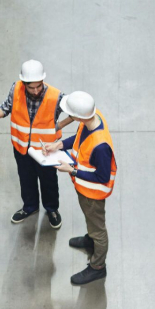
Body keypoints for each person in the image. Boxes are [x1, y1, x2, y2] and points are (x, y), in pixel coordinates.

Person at [0, 60, 72, 228]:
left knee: (48, 181)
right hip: (21, 147)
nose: (35, 91)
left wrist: (59, 125)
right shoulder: (16, 89)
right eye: (31, 87)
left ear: (43, 81)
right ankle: (30, 207)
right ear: (24, 83)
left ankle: (52, 209)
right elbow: (5, 108)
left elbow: (76, 111)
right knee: (26, 179)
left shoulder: (56, 96)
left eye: (38, 86)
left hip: (45, 150)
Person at [41, 91, 115, 286]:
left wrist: (72, 170)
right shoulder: (93, 117)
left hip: (93, 194)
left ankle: (98, 267)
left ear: (80, 116)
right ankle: (90, 241)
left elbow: (102, 177)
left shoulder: (101, 146)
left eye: (71, 115)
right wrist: (59, 145)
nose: (69, 118)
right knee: (91, 222)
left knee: (98, 229)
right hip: (84, 190)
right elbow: (79, 137)